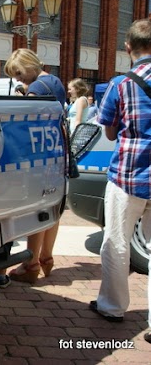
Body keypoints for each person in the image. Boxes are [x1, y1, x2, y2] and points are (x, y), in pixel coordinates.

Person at [91, 19, 151, 338]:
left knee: (116, 241)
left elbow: (110, 132)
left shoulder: (120, 84)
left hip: (130, 174)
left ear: (128, 48)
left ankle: (112, 307)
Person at [3, 48, 67, 284]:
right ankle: (46, 259)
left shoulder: (37, 88)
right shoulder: (56, 81)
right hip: (56, 152)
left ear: (29, 65)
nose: (18, 79)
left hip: (39, 156)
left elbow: (26, 120)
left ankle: (31, 264)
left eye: (18, 73)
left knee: (37, 209)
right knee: (53, 208)